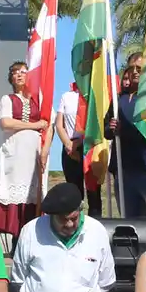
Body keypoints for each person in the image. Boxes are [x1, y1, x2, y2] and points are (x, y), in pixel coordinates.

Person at [0, 61, 47, 240]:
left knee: (33, 195)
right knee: (16, 194)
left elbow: (50, 123)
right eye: (15, 72)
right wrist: (34, 125)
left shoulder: (38, 100)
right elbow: (6, 123)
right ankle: (17, 238)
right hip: (15, 153)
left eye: (23, 72)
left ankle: (31, 237)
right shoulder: (7, 99)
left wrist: (46, 149)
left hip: (33, 153)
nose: (18, 75)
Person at [104, 59, 146, 219]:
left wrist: (124, 130)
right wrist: (112, 128)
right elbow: (107, 130)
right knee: (129, 220)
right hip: (123, 171)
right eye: (132, 68)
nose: (135, 71)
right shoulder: (118, 100)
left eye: (139, 68)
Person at [56, 81, 102, 217]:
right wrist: (69, 145)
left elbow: (96, 123)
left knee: (94, 194)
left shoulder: (95, 96)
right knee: (74, 193)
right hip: (69, 149)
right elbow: (59, 125)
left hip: (89, 148)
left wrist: (78, 143)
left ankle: (95, 227)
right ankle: (75, 225)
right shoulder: (66, 96)